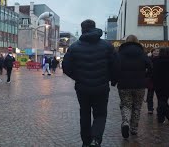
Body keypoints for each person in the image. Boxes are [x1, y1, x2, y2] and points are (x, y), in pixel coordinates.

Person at [63, 19, 117, 147]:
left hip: (82, 87)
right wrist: (110, 79)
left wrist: (78, 77)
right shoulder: (107, 46)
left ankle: (86, 141)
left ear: (82, 29)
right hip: (102, 87)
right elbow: (115, 65)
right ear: (94, 27)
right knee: (100, 114)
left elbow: (66, 67)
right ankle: (96, 139)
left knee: (85, 113)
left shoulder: (74, 47)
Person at [115, 35, 152, 139]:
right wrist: (146, 77)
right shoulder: (142, 53)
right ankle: (134, 129)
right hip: (139, 84)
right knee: (137, 107)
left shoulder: (120, 53)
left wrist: (115, 80)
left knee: (126, 105)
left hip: (124, 84)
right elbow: (150, 66)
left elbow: (115, 67)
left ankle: (126, 122)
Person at [152, 47, 169, 124]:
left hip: (157, 84)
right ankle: (162, 117)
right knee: (163, 101)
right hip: (166, 84)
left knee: (161, 100)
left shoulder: (155, 60)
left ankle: (160, 118)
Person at [146, 48, 160, 114]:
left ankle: (159, 109)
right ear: (152, 52)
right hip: (151, 80)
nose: (156, 52)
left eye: (157, 51)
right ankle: (150, 108)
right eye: (154, 51)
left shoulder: (161, 59)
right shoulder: (149, 59)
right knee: (150, 95)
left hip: (158, 80)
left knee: (159, 96)